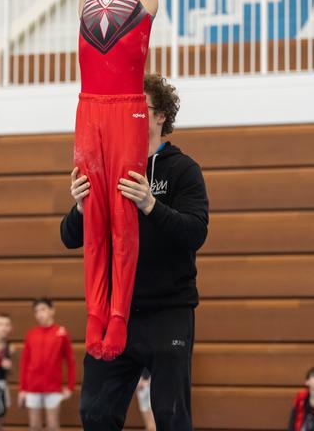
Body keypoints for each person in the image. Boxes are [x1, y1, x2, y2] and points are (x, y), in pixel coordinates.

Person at [64, 0, 176, 361]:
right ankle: (93, 315)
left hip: (128, 108)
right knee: (94, 214)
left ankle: (117, 315)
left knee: (123, 211)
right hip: (88, 109)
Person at [60, 73, 209, 430]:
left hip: (168, 311)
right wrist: (81, 207)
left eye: (140, 107)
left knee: (170, 414)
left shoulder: (182, 170)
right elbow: (69, 237)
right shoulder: (106, 166)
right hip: (116, 312)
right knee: (95, 413)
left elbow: (195, 233)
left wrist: (150, 204)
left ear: (160, 117)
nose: (131, 115)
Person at [18, 298, 76, 431]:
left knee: (53, 425)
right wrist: (22, 389)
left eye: (43, 309)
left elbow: (70, 362)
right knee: (34, 426)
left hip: (53, 388)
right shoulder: (31, 334)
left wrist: (70, 386)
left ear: (52, 310)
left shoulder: (62, 333)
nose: (39, 314)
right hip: (32, 387)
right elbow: (24, 363)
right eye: (36, 311)